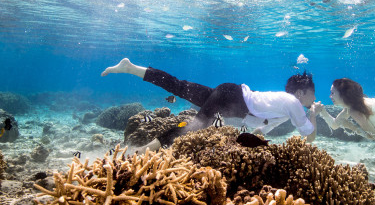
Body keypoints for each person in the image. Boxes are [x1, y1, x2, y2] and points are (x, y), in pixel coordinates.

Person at [101, 61, 322, 148]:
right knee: (194, 127)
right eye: (313, 95)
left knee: (178, 86)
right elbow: (309, 137)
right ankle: (144, 151)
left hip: (229, 92)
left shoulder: (284, 107)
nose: (314, 99)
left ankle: (131, 68)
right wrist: (314, 113)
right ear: (301, 93)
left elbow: (259, 129)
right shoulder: (293, 102)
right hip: (230, 97)